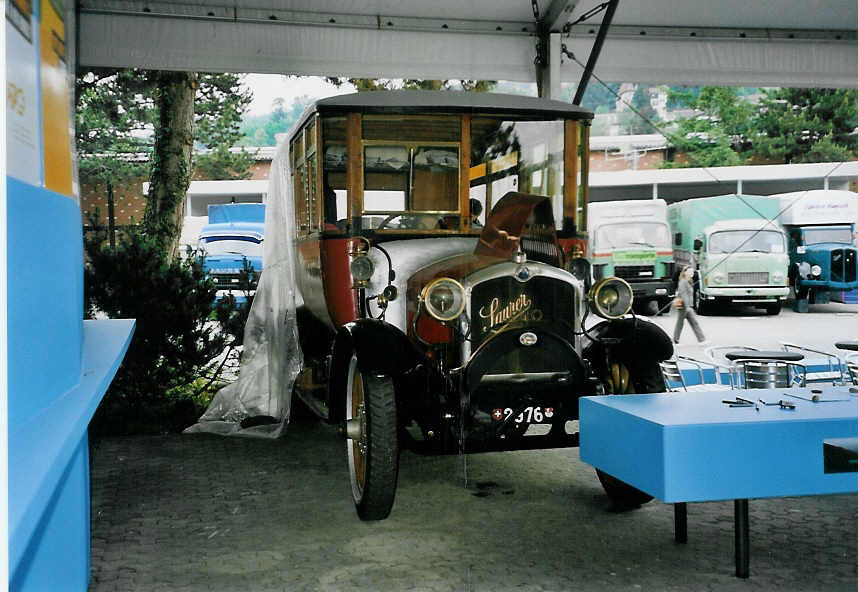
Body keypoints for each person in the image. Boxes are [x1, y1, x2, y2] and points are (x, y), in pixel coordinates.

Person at [673, 266, 706, 344]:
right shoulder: (683, 282)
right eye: (690, 272)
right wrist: (687, 306)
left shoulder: (688, 281)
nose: (692, 273)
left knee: (693, 322)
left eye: (692, 272)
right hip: (683, 306)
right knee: (680, 323)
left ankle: (701, 339)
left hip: (687, 306)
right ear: (685, 272)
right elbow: (684, 295)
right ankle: (675, 339)